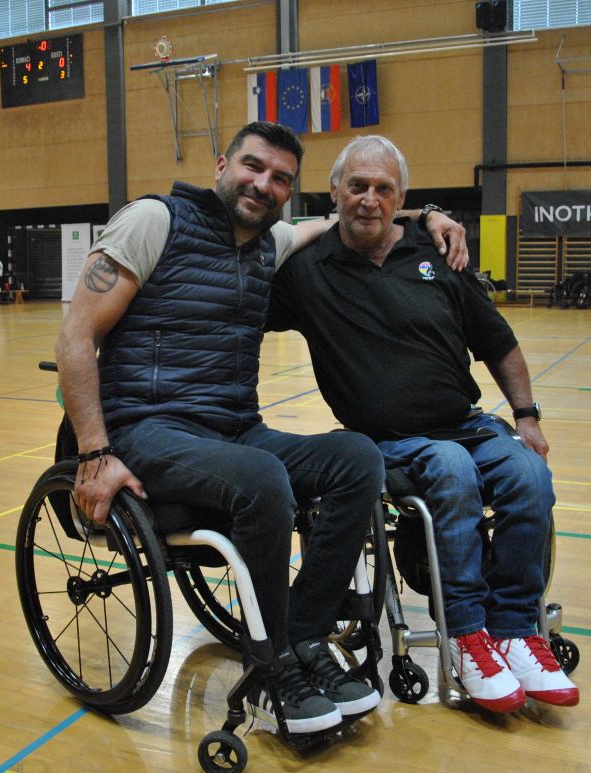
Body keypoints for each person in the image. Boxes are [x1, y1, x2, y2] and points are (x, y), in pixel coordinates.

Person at [56, 121, 466, 735]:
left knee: (358, 459)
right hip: (147, 428)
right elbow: (75, 337)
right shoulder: (153, 221)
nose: (262, 183)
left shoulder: (271, 241)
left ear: (289, 192)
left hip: (234, 428)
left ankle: (300, 639)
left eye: (279, 178)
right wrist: (94, 452)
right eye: (252, 166)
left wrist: (429, 215)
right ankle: (271, 667)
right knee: (263, 477)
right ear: (222, 166)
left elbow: (348, 217)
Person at [267, 135, 578, 714]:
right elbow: (240, 290)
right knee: (451, 468)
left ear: (401, 197)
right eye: (357, 186)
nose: (369, 199)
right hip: (386, 442)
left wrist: (527, 417)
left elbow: (498, 343)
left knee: (529, 476)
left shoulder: (437, 253)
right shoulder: (308, 271)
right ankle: (465, 634)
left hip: (466, 423)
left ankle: (515, 630)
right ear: (334, 191)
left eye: (383, 189)